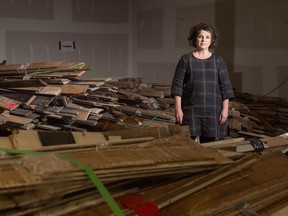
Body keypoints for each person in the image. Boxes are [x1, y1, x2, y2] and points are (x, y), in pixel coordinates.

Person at [171, 22, 234, 143]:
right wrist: (178, 109)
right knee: (186, 145)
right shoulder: (186, 59)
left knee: (209, 147)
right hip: (190, 110)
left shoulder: (218, 60)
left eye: (207, 37)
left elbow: (225, 86)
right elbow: (177, 86)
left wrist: (225, 109)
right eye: (200, 36)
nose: (203, 40)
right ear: (195, 39)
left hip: (212, 110)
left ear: (211, 40)